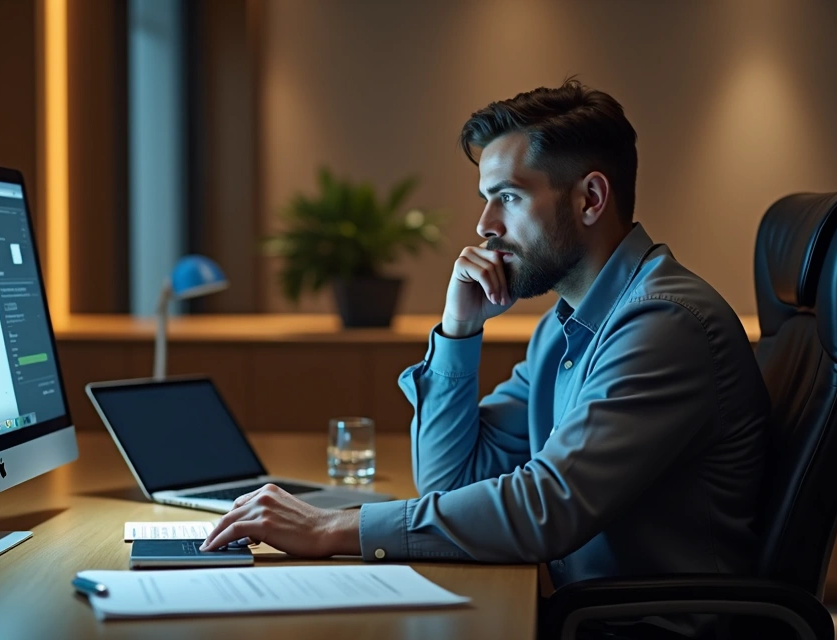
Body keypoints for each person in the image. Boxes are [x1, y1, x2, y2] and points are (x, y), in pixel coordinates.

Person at [202, 79, 769, 638]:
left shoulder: (662, 325)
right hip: (586, 616)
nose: (485, 226)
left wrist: (333, 527)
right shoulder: (566, 324)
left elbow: (547, 507)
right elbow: (448, 480)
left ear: (590, 199)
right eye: (487, 199)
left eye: (510, 197)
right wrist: (459, 329)